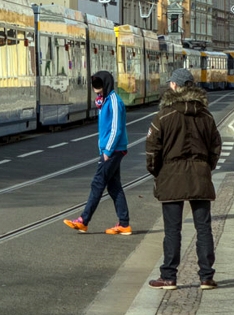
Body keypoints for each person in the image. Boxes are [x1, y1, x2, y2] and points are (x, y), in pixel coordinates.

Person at [145, 67, 222, 291]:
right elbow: (215, 146)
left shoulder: (163, 116)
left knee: (172, 229)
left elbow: (152, 150)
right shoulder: (206, 115)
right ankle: (206, 276)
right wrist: (207, 167)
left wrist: (157, 171)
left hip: (171, 176)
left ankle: (168, 277)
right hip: (199, 175)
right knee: (204, 227)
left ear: (173, 86)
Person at [64, 70, 130, 235]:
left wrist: (107, 150)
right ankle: (124, 224)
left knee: (97, 183)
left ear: (106, 84)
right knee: (114, 186)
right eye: (94, 85)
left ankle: (84, 220)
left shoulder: (114, 101)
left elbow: (116, 128)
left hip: (113, 150)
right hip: (110, 149)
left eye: (99, 85)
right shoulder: (105, 100)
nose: (96, 88)